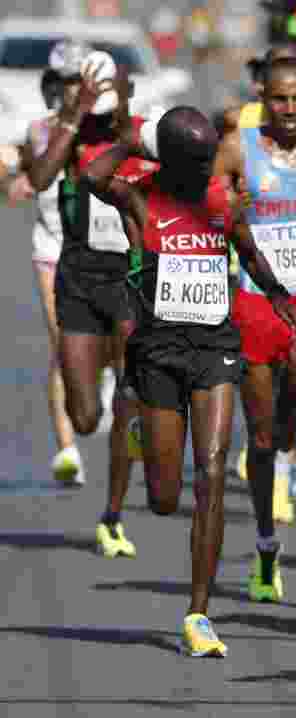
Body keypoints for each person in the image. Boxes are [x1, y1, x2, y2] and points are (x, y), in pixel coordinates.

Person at [82, 105, 296, 657]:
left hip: (214, 348)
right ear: (170, 158)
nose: (210, 168)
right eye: (199, 160)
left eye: (212, 159)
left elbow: (250, 256)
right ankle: (142, 442)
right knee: (162, 498)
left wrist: (280, 298)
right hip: (157, 350)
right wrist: (135, 141)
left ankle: (199, 614)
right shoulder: (140, 196)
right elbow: (91, 177)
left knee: (208, 473)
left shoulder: (221, 203)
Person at [214, 56, 296, 596]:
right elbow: (208, 209)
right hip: (254, 304)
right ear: (262, 98)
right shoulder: (235, 147)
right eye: (279, 99)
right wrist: (230, 210)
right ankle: (266, 546)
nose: (289, 109)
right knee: (266, 437)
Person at [36, 52, 151, 558]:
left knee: (128, 397)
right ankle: (107, 382)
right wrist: (76, 113)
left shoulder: (142, 135)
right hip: (79, 277)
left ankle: (113, 513)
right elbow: (40, 177)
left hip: (127, 280)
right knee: (84, 417)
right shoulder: (71, 135)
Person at [7, 43, 89, 486]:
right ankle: (67, 448)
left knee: (103, 346)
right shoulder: (39, 130)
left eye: (79, 79)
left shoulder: (103, 130)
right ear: (54, 86)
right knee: (63, 344)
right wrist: (13, 175)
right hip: (52, 247)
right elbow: (18, 171)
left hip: (97, 250)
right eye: (65, 80)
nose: (72, 89)